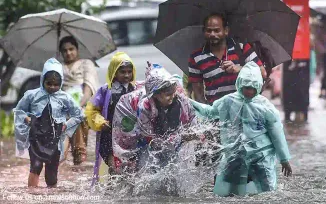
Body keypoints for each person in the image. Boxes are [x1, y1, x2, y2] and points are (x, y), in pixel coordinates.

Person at [190, 61, 292, 196]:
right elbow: (209, 112)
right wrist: (188, 102)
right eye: (246, 87)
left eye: (252, 87)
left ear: (259, 86)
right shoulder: (228, 101)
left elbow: (277, 134)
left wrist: (284, 159)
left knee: (268, 191)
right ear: (239, 84)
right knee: (229, 192)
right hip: (235, 154)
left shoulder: (266, 107)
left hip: (261, 155)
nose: (249, 91)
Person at [112, 63, 197, 172]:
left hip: (161, 120)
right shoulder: (143, 107)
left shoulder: (180, 98)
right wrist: (180, 138)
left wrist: (194, 135)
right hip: (130, 115)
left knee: (179, 157)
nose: (172, 96)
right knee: (134, 158)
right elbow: (152, 140)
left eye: (173, 92)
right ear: (155, 95)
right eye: (167, 94)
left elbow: (192, 120)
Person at [14, 58, 84, 187]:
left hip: (54, 140)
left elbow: (79, 115)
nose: (52, 87)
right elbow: (19, 110)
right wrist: (27, 118)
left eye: (56, 84)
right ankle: (32, 195)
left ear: (61, 82)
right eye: (49, 84)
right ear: (42, 81)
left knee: (51, 174)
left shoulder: (65, 97)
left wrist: (66, 125)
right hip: (36, 138)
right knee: (35, 166)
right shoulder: (32, 95)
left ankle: (51, 197)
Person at [188, 12, 266, 105]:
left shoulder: (242, 48)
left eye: (217, 30)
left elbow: (262, 73)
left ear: (226, 31)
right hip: (216, 114)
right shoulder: (196, 57)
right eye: (209, 30)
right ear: (204, 31)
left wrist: (239, 69)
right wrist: (207, 113)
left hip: (244, 110)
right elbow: (198, 92)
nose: (212, 34)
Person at [85, 52, 137, 183]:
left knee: (130, 171)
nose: (126, 75)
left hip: (129, 138)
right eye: (122, 72)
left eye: (129, 72)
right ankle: (111, 193)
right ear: (114, 71)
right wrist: (100, 121)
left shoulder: (135, 90)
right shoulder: (105, 91)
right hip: (109, 137)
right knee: (114, 167)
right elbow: (92, 110)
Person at [60, 35, 99, 165]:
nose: (68, 53)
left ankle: (78, 157)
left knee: (77, 117)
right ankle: (77, 157)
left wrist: (78, 106)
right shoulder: (58, 67)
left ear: (77, 50)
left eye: (71, 49)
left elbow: (89, 88)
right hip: (62, 107)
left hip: (84, 104)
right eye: (64, 50)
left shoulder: (86, 64)